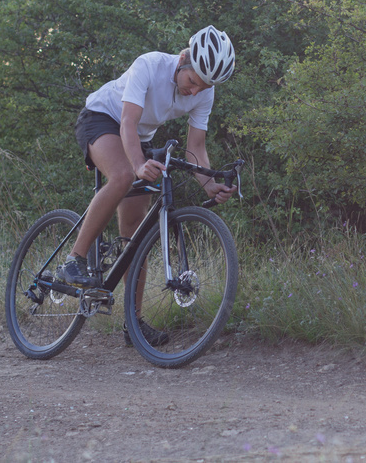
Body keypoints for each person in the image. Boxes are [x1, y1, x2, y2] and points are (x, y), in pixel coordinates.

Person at [58, 25, 238, 344]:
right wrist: (139, 164)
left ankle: (133, 324)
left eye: (204, 86)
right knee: (124, 176)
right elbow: (127, 122)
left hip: (137, 136)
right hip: (102, 118)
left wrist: (209, 184)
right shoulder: (150, 65)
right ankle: (74, 259)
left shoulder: (204, 92)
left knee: (135, 235)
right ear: (183, 59)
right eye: (192, 81)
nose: (195, 91)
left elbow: (196, 148)